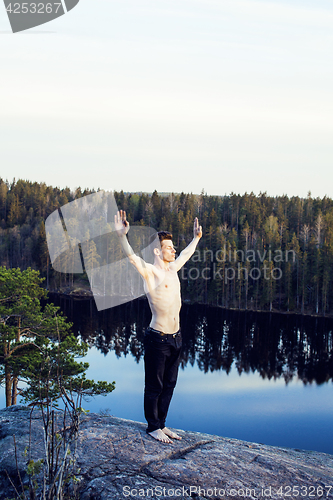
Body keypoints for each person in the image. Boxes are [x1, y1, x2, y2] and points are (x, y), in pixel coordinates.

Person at [114, 210, 202, 443]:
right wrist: (123, 236)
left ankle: (161, 424)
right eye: (169, 247)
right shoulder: (150, 272)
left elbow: (186, 253)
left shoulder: (173, 269)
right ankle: (153, 427)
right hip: (158, 338)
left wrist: (196, 238)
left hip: (176, 338)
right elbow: (132, 258)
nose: (174, 250)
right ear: (157, 250)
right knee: (155, 385)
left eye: (173, 247)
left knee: (170, 385)